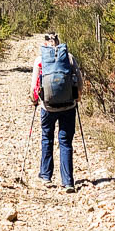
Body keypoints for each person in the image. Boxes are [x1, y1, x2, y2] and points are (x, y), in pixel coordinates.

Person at [31, 32, 82, 193]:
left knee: (47, 138)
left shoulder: (40, 60)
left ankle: (46, 176)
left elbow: (34, 88)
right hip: (68, 107)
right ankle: (68, 182)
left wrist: (35, 101)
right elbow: (79, 83)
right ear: (59, 43)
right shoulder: (69, 57)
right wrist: (77, 99)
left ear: (45, 44)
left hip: (47, 107)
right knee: (65, 142)